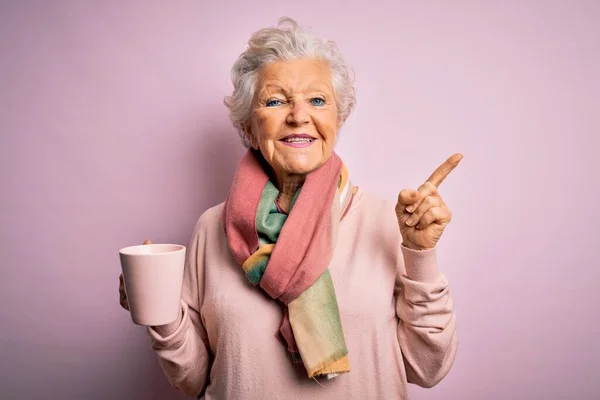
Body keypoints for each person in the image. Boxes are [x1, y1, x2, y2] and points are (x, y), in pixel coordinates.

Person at [119, 17, 461, 399]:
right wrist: (161, 313)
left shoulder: (388, 222)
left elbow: (427, 368)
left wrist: (419, 253)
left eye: (317, 100)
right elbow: (194, 378)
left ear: (337, 118)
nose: (299, 116)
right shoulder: (212, 227)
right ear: (249, 126)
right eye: (276, 101)